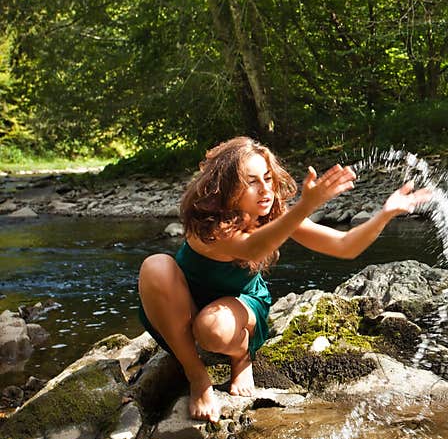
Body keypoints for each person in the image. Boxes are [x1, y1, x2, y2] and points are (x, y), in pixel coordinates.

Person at [137, 136, 431, 422]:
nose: (265, 189)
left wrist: (384, 214)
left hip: (238, 311)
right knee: (156, 266)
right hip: (183, 308)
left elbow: (345, 246)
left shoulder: (276, 217)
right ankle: (197, 375)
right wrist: (307, 205)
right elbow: (252, 247)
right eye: (252, 181)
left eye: (267, 178)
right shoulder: (208, 225)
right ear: (224, 187)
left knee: (212, 328)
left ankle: (242, 356)